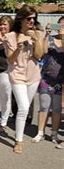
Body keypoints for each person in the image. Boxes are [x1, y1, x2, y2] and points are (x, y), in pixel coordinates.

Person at [4, 4, 47, 154]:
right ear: (21, 19)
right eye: (29, 18)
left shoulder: (37, 34)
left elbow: (39, 56)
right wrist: (19, 47)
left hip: (33, 75)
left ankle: (19, 135)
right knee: (23, 107)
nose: (31, 21)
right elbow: (10, 60)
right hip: (17, 74)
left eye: (34, 19)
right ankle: (19, 140)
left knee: (26, 108)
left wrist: (37, 41)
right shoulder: (10, 36)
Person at [31, 16, 64, 145]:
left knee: (56, 109)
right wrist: (46, 35)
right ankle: (40, 132)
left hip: (60, 81)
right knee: (44, 106)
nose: (61, 28)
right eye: (60, 25)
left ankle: (54, 134)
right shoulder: (50, 39)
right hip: (46, 78)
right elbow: (43, 52)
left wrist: (62, 38)